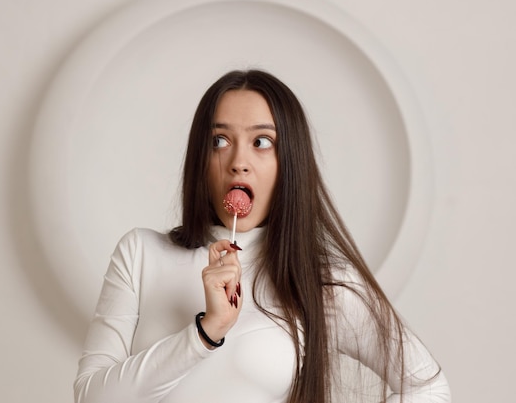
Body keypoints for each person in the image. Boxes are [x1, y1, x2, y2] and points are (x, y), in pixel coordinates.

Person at [74, 69, 451, 403]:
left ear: (290, 163)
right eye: (219, 140)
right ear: (199, 159)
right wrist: (205, 334)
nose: (239, 160)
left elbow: (427, 387)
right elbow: (91, 398)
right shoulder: (140, 253)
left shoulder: (321, 283)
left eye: (261, 142)